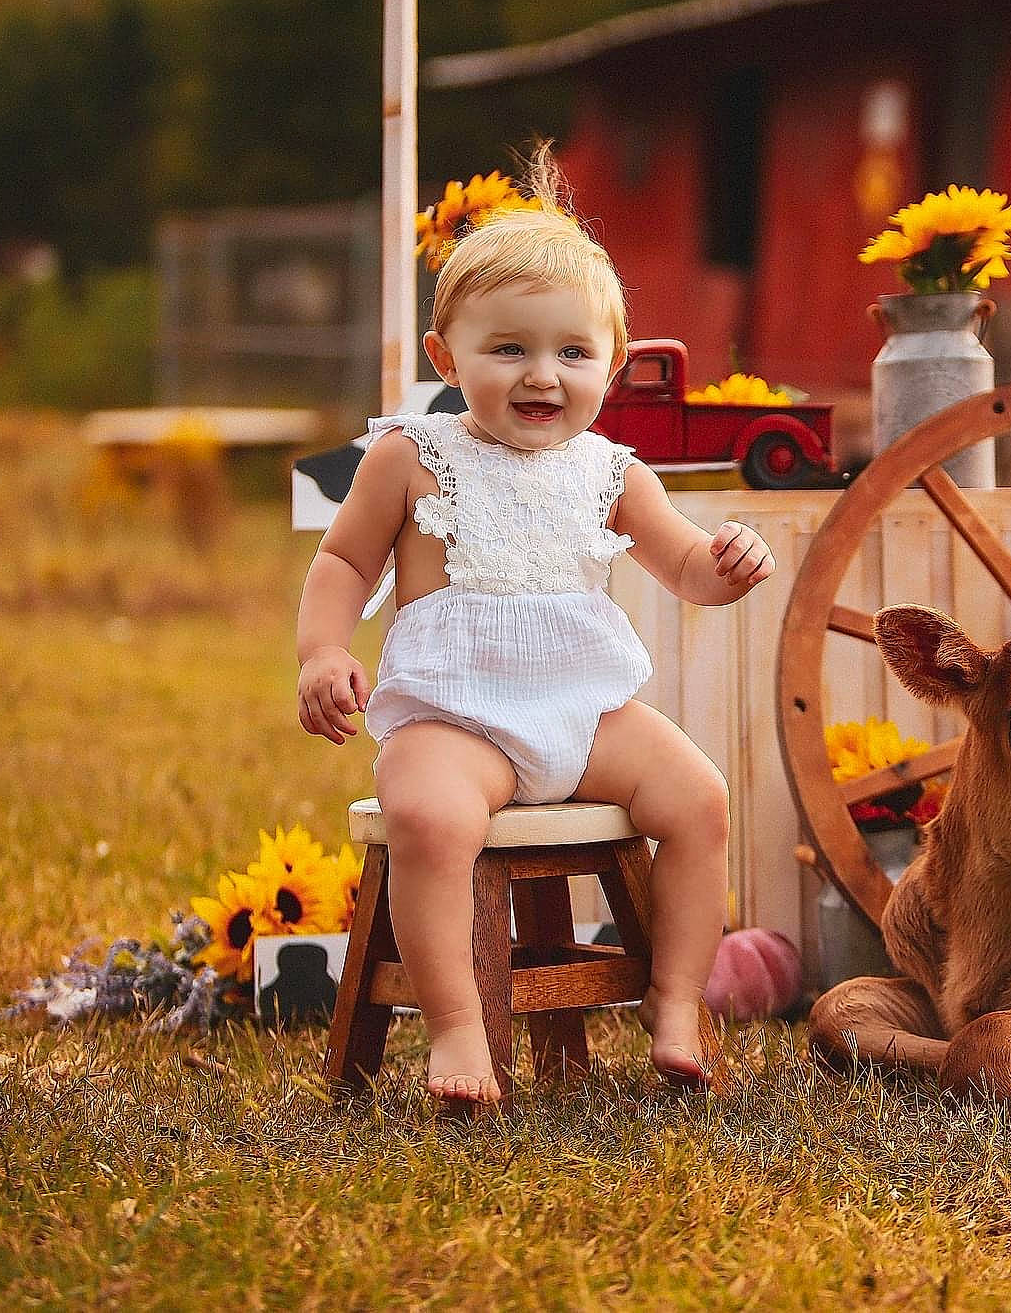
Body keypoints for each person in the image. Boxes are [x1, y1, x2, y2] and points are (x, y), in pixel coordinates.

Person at [295, 150, 773, 1106]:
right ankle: (460, 1029)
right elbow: (343, 562)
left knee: (701, 799)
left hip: (587, 715)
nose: (540, 375)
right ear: (446, 357)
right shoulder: (410, 456)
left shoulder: (612, 470)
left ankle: (676, 1004)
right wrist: (324, 649)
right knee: (432, 818)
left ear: (614, 364)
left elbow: (681, 564)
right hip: (454, 721)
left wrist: (724, 566)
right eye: (507, 349)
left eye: (571, 353)